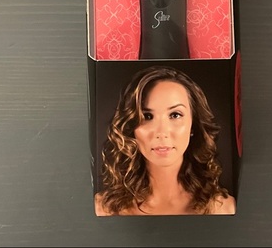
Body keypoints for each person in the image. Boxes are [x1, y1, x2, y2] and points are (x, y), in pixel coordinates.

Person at [94, 65, 236, 216]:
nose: (161, 133)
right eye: (147, 116)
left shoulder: (224, 209)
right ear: (131, 128)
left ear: (193, 125)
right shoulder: (103, 209)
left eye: (175, 115)